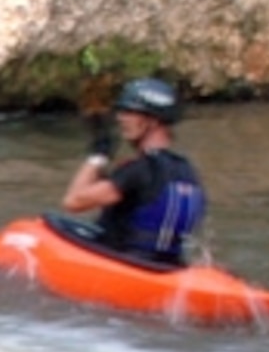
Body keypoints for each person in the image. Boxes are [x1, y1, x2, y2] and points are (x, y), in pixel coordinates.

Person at [45, 77, 207, 265]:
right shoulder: (187, 171)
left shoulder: (138, 170)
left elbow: (73, 201)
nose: (120, 118)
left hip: (126, 263)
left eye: (130, 112)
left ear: (152, 121)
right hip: (167, 265)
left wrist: (98, 155)